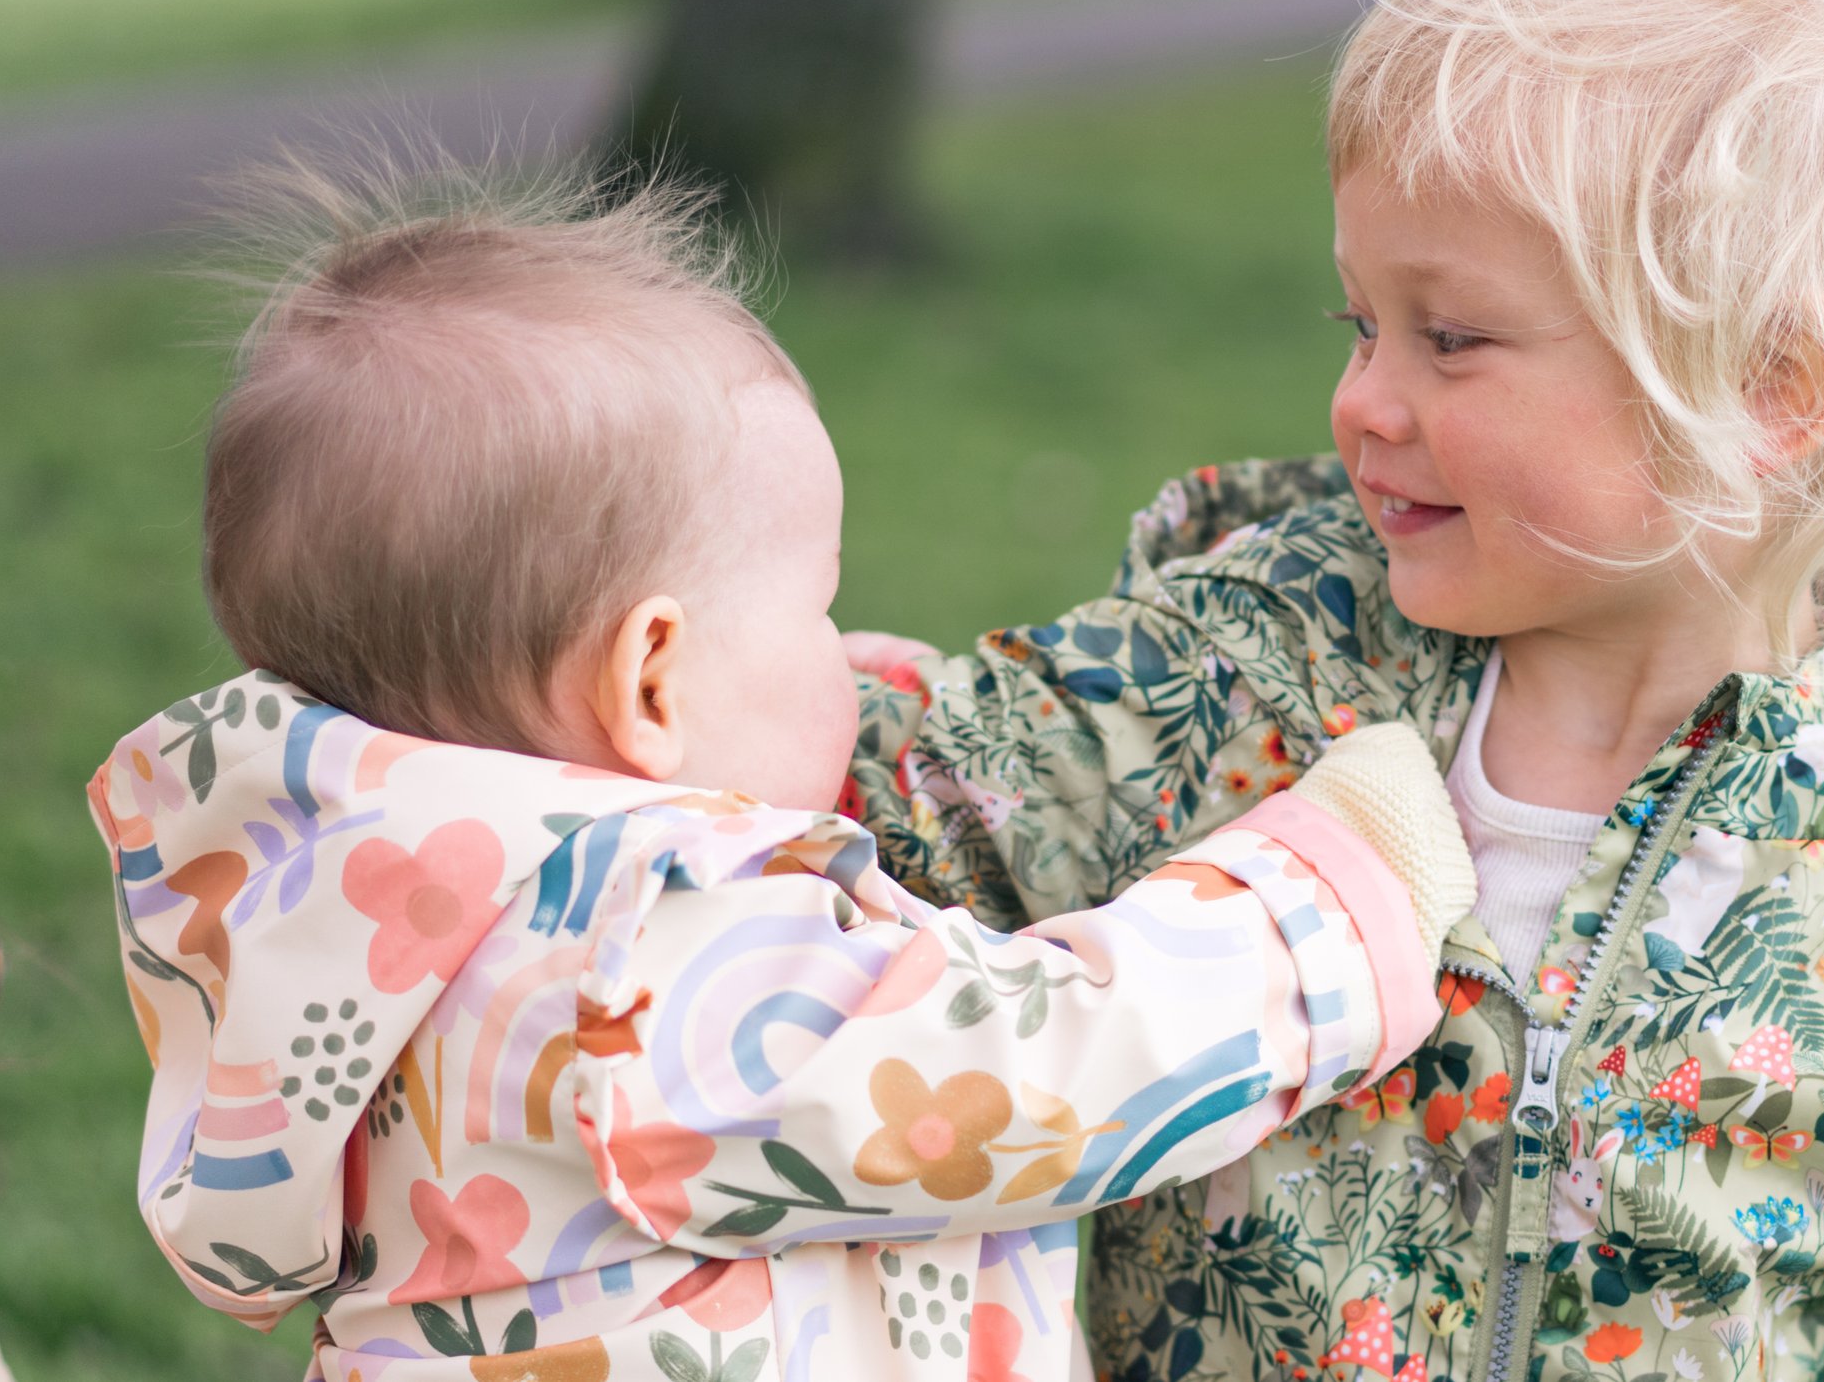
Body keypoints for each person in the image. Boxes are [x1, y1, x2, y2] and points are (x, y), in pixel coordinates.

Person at [845, 0, 1824, 1381]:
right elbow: (827, 799)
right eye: (1359, 321)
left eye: (1450, 339)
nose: (1362, 402)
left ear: (1768, 393)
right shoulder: (1237, 676)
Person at [87, 168, 1478, 1382]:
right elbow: (1023, 1072)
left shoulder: (398, 925)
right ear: (649, 684)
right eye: (817, 611)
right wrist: (1319, 903)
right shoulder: (646, 967)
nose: (847, 660)